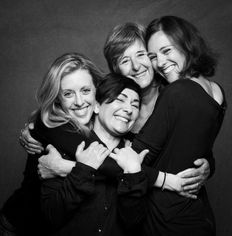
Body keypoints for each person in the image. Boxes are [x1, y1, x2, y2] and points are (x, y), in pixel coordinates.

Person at [20, 22, 212, 197]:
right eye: (124, 60)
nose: (136, 66)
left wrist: (209, 166)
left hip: (156, 213)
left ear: (152, 56)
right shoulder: (107, 106)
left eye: (141, 54)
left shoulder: (173, 98)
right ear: (115, 69)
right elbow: (59, 114)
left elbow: (197, 145)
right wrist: (33, 129)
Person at [125, 15, 226, 235]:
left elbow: (132, 160)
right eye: (153, 56)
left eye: (166, 50)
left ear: (187, 45)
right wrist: (208, 166)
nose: (160, 62)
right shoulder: (217, 92)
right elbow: (196, 151)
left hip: (164, 219)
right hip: (198, 215)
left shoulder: (176, 91)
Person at [0, 52, 104, 236]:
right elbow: (111, 167)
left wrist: (62, 167)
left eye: (85, 90)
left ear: (97, 90)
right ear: (57, 98)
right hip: (22, 225)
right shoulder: (54, 126)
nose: (79, 102)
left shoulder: (102, 122)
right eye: (68, 94)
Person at [38, 73, 149, 235]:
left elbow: (134, 223)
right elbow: (50, 217)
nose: (128, 109)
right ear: (97, 106)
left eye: (135, 104)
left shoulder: (137, 154)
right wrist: (81, 170)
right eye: (120, 99)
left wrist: (133, 173)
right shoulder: (63, 148)